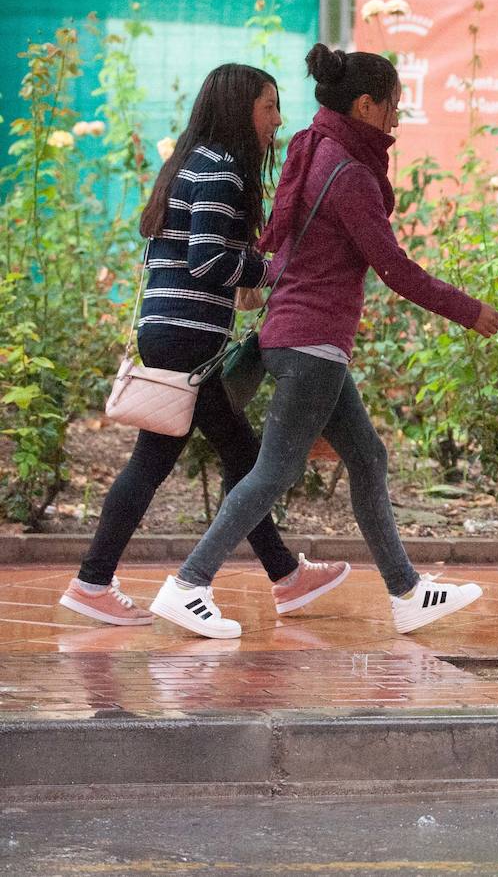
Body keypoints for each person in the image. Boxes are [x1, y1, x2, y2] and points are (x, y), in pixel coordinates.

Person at [150, 44, 498, 639]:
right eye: (393, 105)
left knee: (367, 457)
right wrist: (469, 311)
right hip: (311, 341)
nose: (398, 118)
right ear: (365, 105)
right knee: (273, 472)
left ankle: (407, 592)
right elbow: (393, 267)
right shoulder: (347, 173)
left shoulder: (313, 149)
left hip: (302, 339)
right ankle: (187, 584)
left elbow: (282, 231)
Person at [58, 64, 349, 628]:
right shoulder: (218, 168)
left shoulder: (195, 162)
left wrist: (253, 275)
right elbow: (208, 259)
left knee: (240, 458)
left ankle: (285, 576)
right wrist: (274, 270)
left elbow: (202, 257)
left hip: (178, 331)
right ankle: (94, 581)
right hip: (186, 336)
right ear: (242, 108)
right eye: (268, 106)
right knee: (179, 461)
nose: (277, 119)